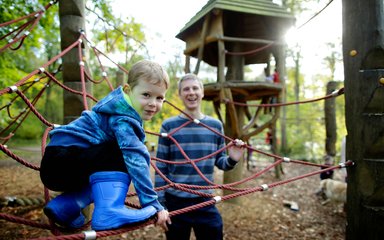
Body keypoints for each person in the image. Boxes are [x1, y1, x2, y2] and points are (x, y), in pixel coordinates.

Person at [40, 60, 170, 231]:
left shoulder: (117, 110)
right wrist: (152, 203)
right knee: (126, 153)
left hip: (58, 165)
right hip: (63, 160)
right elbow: (136, 159)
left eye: (159, 97)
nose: (153, 103)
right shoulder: (123, 119)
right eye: (146, 94)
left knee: (102, 177)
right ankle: (109, 211)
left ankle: (65, 206)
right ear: (128, 90)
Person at [155, 73, 245, 240]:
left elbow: (220, 162)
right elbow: (161, 167)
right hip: (176, 201)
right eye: (186, 89)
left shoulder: (215, 126)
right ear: (180, 94)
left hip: (205, 201)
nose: (191, 92)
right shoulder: (168, 125)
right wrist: (161, 204)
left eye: (195, 88)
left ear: (202, 93)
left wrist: (233, 158)